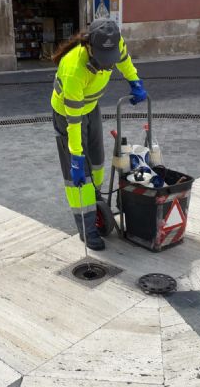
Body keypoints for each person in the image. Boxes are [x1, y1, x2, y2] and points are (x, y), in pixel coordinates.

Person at [51, 18, 147, 250]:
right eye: (104, 59)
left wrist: (134, 81)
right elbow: (74, 122)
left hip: (91, 106)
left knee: (97, 161)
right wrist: (75, 157)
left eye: (110, 59)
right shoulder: (74, 68)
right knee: (80, 172)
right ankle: (87, 226)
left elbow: (124, 60)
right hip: (68, 114)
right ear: (90, 47)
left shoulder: (114, 43)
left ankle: (95, 196)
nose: (107, 64)